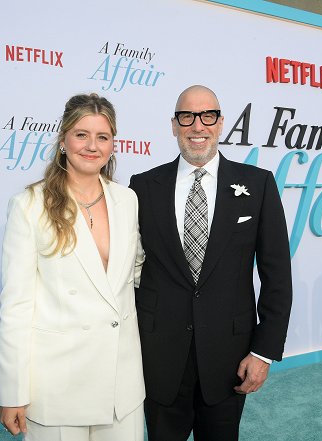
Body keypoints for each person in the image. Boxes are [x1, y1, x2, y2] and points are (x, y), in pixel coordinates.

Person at [129, 85, 292, 441]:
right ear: (174, 125)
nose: (197, 126)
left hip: (228, 356)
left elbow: (277, 275)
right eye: (187, 116)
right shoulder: (141, 187)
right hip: (158, 355)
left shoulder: (258, 184)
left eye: (208, 116)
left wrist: (263, 351)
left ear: (221, 124)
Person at [0, 93, 145, 441]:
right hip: (58, 385)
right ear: (63, 140)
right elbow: (17, 305)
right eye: (81, 134)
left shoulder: (127, 200)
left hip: (120, 385)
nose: (91, 146)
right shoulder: (29, 205)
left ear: (113, 146)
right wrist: (13, 391)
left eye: (102, 137)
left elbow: (135, 276)